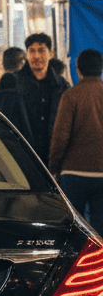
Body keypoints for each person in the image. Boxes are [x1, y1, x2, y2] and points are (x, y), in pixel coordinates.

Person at [48, 49, 103, 229]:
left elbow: (60, 137)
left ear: (78, 70)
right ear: (100, 69)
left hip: (73, 174)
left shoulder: (71, 96)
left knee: (75, 229)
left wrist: (53, 169)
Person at [14, 33, 69, 165]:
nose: (36, 56)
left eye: (41, 50)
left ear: (50, 54)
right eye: (32, 51)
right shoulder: (15, 83)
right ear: (27, 55)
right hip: (22, 156)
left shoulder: (61, 86)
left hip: (53, 157)